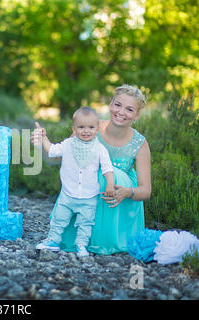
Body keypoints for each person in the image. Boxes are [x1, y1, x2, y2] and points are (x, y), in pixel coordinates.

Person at [32, 84, 151, 255]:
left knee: (112, 176)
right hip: (83, 195)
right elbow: (59, 155)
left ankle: (102, 240)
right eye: (118, 105)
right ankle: (72, 239)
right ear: (110, 104)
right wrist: (42, 141)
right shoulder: (89, 127)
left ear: (137, 115)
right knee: (92, 173)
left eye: (129, 109)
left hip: (116, 204)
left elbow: (146, 190)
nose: (121, 112)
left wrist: (127, 192)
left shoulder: (139, 144)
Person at [34, 106, 115, 257]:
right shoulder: (67, 144)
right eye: (81, 127)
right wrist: (43, 137)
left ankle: (81, 245)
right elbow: (51, 151)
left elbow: (107, 169)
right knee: (59, 218)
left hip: (89, 196)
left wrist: (110, 185)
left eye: (91, 127)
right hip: (68, 194)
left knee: (86, 223)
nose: (86, 131)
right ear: (74, 128)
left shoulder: (100, 149)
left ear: (97, 129)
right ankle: (53, 240)